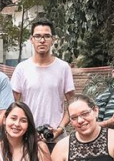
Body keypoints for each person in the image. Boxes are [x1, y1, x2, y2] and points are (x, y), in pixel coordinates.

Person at [10, 18, 75, 146]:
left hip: (57, 138)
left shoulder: (63, 67)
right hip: (28, 137)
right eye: (38, 36)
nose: (42, 40)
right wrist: (23, 128)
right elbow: (13, 105)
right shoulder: (22, 68)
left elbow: (72, 104)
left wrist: (60, 128)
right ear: (31, 39)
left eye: (46, 36)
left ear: (53, 39)